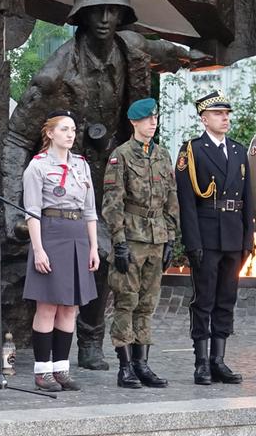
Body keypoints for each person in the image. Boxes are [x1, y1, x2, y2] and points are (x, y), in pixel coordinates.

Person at [2, 0, 208, 371]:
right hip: (69, 175)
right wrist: (15, 210)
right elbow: (14, 140)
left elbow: (164, 49)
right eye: (96, 10)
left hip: (118, 170)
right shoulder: (54, 73)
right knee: (82, 259)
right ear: (80, 15)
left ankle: (93, 341)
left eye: (113, 11)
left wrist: (194, 57)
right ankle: (68, 348)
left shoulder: (132, 47)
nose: (105, 19)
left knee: (109, 256)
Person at [176, 90, 253, 384]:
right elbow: (187, 202)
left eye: (227, 114)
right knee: (203, 300)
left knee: (226, 299)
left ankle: (218, 360)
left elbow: (247, 198)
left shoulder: (238, 150)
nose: (225, 118)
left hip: (233, 235)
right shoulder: (192, 151)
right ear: (204, 118)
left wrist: (248, 239)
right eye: (219, 114)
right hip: (207, 236)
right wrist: (192, 242)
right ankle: (201, 363)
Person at [101, 98, 179, 388]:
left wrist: (171, 237)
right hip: (131, 238)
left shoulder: (162, 155)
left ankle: (142, 364)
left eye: (155, 118)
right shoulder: (120, 156)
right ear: (134, 122)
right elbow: (112, 203)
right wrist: (118, 241)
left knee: (147, 304)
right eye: (147, 119)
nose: (153, 122)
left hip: (157, 237)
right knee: (126, 301)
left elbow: (172, 197)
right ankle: (125, 367)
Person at [22, 110, 99, 392]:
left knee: (70, 306)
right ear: (50, 133)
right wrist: (38, 249)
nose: (70, 134)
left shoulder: (81, 165)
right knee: (48, 305)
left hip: (78, 234)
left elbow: (90, 210)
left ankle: (61, 369)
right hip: (51, 234)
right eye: (64, 129)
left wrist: (93, 247)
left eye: (73, 130)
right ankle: (42, 371)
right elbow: (31, 212)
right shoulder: (38, 166)